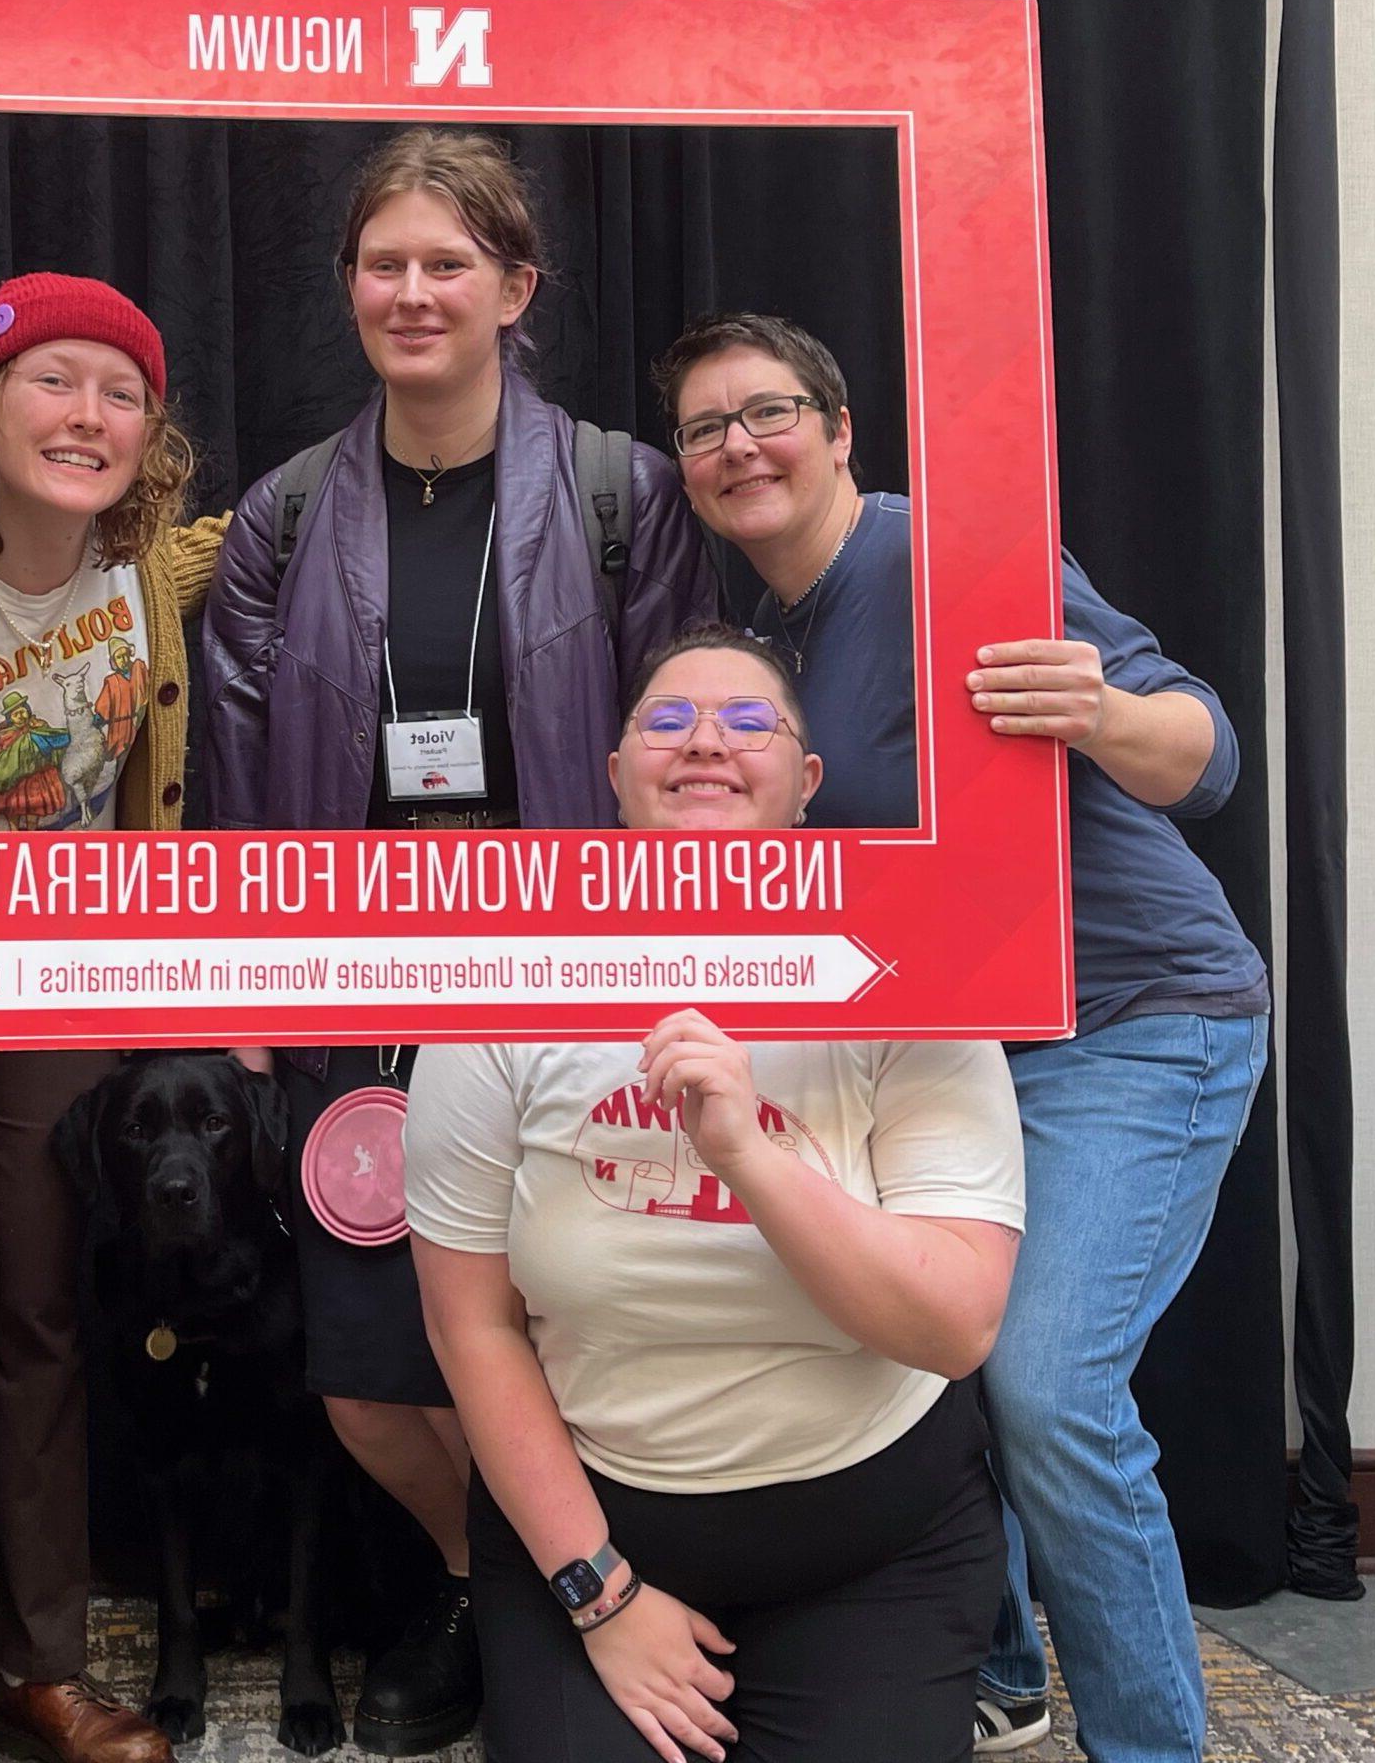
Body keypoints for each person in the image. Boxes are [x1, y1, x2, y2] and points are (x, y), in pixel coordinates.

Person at [650, 314, 1271, 1762]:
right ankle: (998, 1667)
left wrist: (1102, 709)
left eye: (770, 411)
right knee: (902, 1342)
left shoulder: (943, 553)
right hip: (955, 1046)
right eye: (703, 428)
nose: (738, 444)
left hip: (1136, 1027)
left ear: (843, 426)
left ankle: (1151, 1748)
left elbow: (1208, 753)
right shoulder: (756, 635)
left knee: (1048, 1389)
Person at [202, 129, 717, 1753]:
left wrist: (678, 968)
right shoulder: (281, 522)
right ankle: (489, 1575)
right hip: (357, 985)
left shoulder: (624, 495)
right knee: (369, 1369)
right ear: (350, 287)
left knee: (578, 1308)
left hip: (582, 979)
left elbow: (691, 751)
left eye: (448, 263)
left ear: (514, 288)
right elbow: (228, 791)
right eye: (385, 262)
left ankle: (562, 1600)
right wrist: (243, 990)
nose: (413, 292)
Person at [408, 624, 1027, 1763]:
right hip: (589, 1534)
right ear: (612, 776)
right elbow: (470, 1323)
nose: (705, 744)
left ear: (807, 784)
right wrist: (600, 1596)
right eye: (666, 721)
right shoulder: (501, 974)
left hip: (871, 1546)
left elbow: (955, 1324)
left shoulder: (915, 966)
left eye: (750, 724)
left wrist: (748, 1153)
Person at [0, 274, 223, 1763]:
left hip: (64, 988)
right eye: (50, 383)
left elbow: (232, 553)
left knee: (50, 1331)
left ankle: (43, 1662)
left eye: (119, 391)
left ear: (154, 430)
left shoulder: (146, 581)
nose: (85, 416)